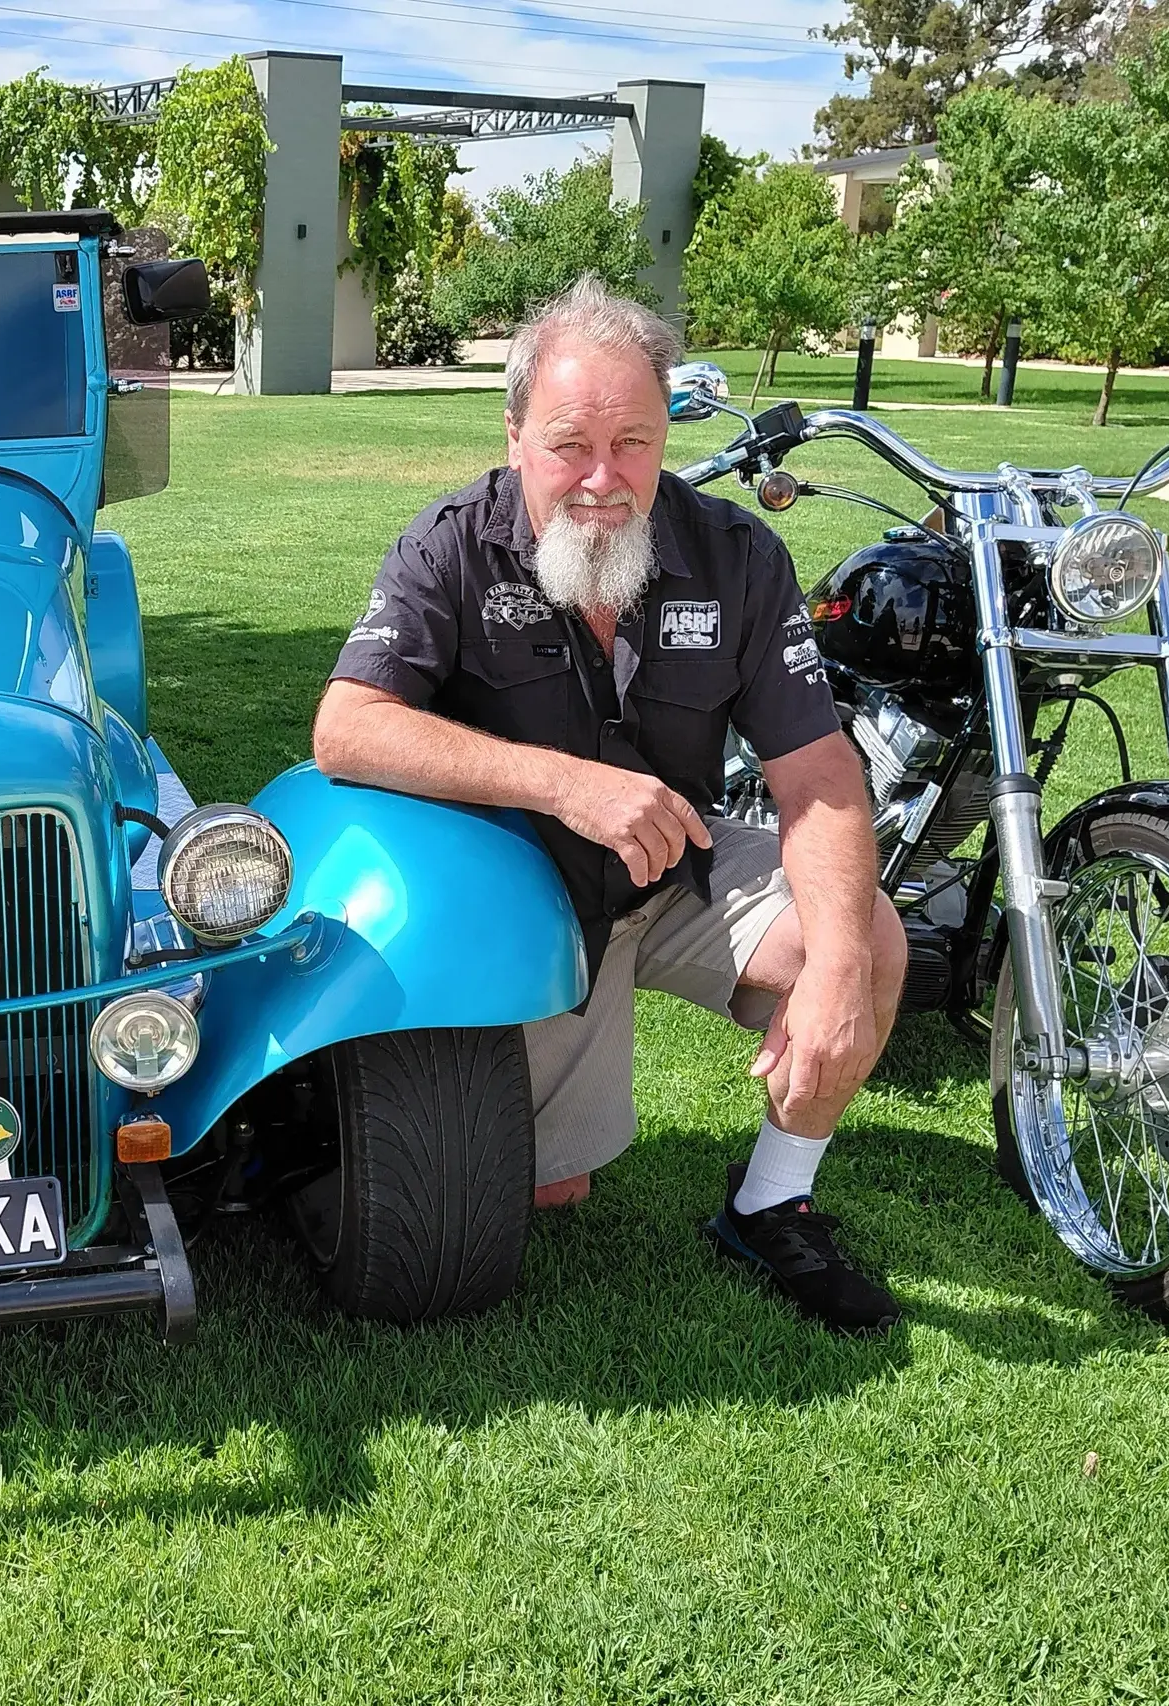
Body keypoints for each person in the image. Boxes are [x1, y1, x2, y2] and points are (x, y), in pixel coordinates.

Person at [311, 276, 909, 1335]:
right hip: (514, 905)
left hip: (668, 872)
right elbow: (346, 727)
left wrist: (839, 974)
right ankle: (539, 1097)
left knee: (864, 934)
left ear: (665, 432)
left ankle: (771, 1200)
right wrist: (563, 782)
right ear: (512, 435)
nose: (601, 479)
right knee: (541, 1190)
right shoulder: (449, 544)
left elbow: (816, 777)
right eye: (567, 445)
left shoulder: (737, 554)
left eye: (632, 443)